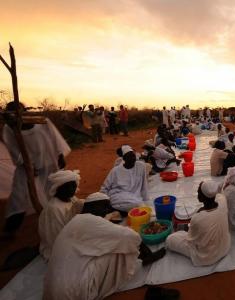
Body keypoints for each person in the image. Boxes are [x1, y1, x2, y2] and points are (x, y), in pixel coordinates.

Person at [43, 193, 169, 300]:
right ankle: (140, 263)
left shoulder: (76, 221)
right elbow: (130, 237)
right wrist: (150, 255)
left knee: (111, 243)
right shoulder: (89, 221)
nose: (107, 211)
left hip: (52, 292)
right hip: (74, 292)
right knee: (118, 249)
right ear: (94, 207)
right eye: (105, 207)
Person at [2, 101, 71, 236]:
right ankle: (11, 228)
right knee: (19, 194)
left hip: (48, 161)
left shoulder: (42, 122)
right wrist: (27, 165)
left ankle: (59, 220)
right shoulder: (9, 129)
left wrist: (60, 154)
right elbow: (13, 149)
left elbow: (55, 138)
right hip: (26, 166)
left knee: (53, 190)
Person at [166, 181, 231, 266]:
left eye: (198, 192)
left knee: (170, 239)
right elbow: (219, 194)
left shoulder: (197, 218)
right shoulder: (222, 201)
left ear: (201, 197)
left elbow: (191, 239)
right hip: (224, 248)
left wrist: (188, 226)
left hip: (207, 257)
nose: (197, 194)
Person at [38, 170, 84, 261]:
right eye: (67, 187)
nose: (71, 189)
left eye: (73, 186)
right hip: (59, 246)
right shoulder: (54, 209)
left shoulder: (71, 199)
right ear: (58, 188)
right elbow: (56, 237)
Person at [100, 145, 148, 212]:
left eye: (133, 155)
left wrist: (146, 199)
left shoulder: (141, 166)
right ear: (124, 159)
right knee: (138, 205)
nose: (132, 158)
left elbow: (144, 184)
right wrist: (103, 200)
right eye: (129, 156)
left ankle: (120, 210)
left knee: (138, 204)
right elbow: (105, 187)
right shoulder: (116, 170)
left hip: (135, 196)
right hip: (118, 195)